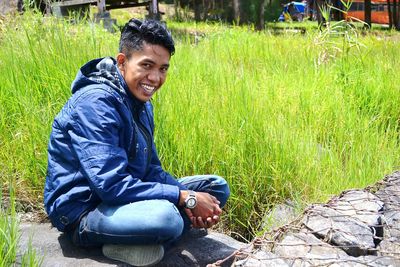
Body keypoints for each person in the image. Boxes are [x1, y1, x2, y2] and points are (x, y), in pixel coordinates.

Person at [44, 18, 230, 267]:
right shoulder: (95, 103)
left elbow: (151, 169)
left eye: (163, 68)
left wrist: (189, 197)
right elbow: (110, 186)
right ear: (122, 62)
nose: (155, 78)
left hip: (126, 196)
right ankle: (129, 241)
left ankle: (143, 237)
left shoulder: (141, 102)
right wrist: (187, 199)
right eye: (147, 65)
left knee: (216, 188)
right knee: (168, 219)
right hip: (85, 211)